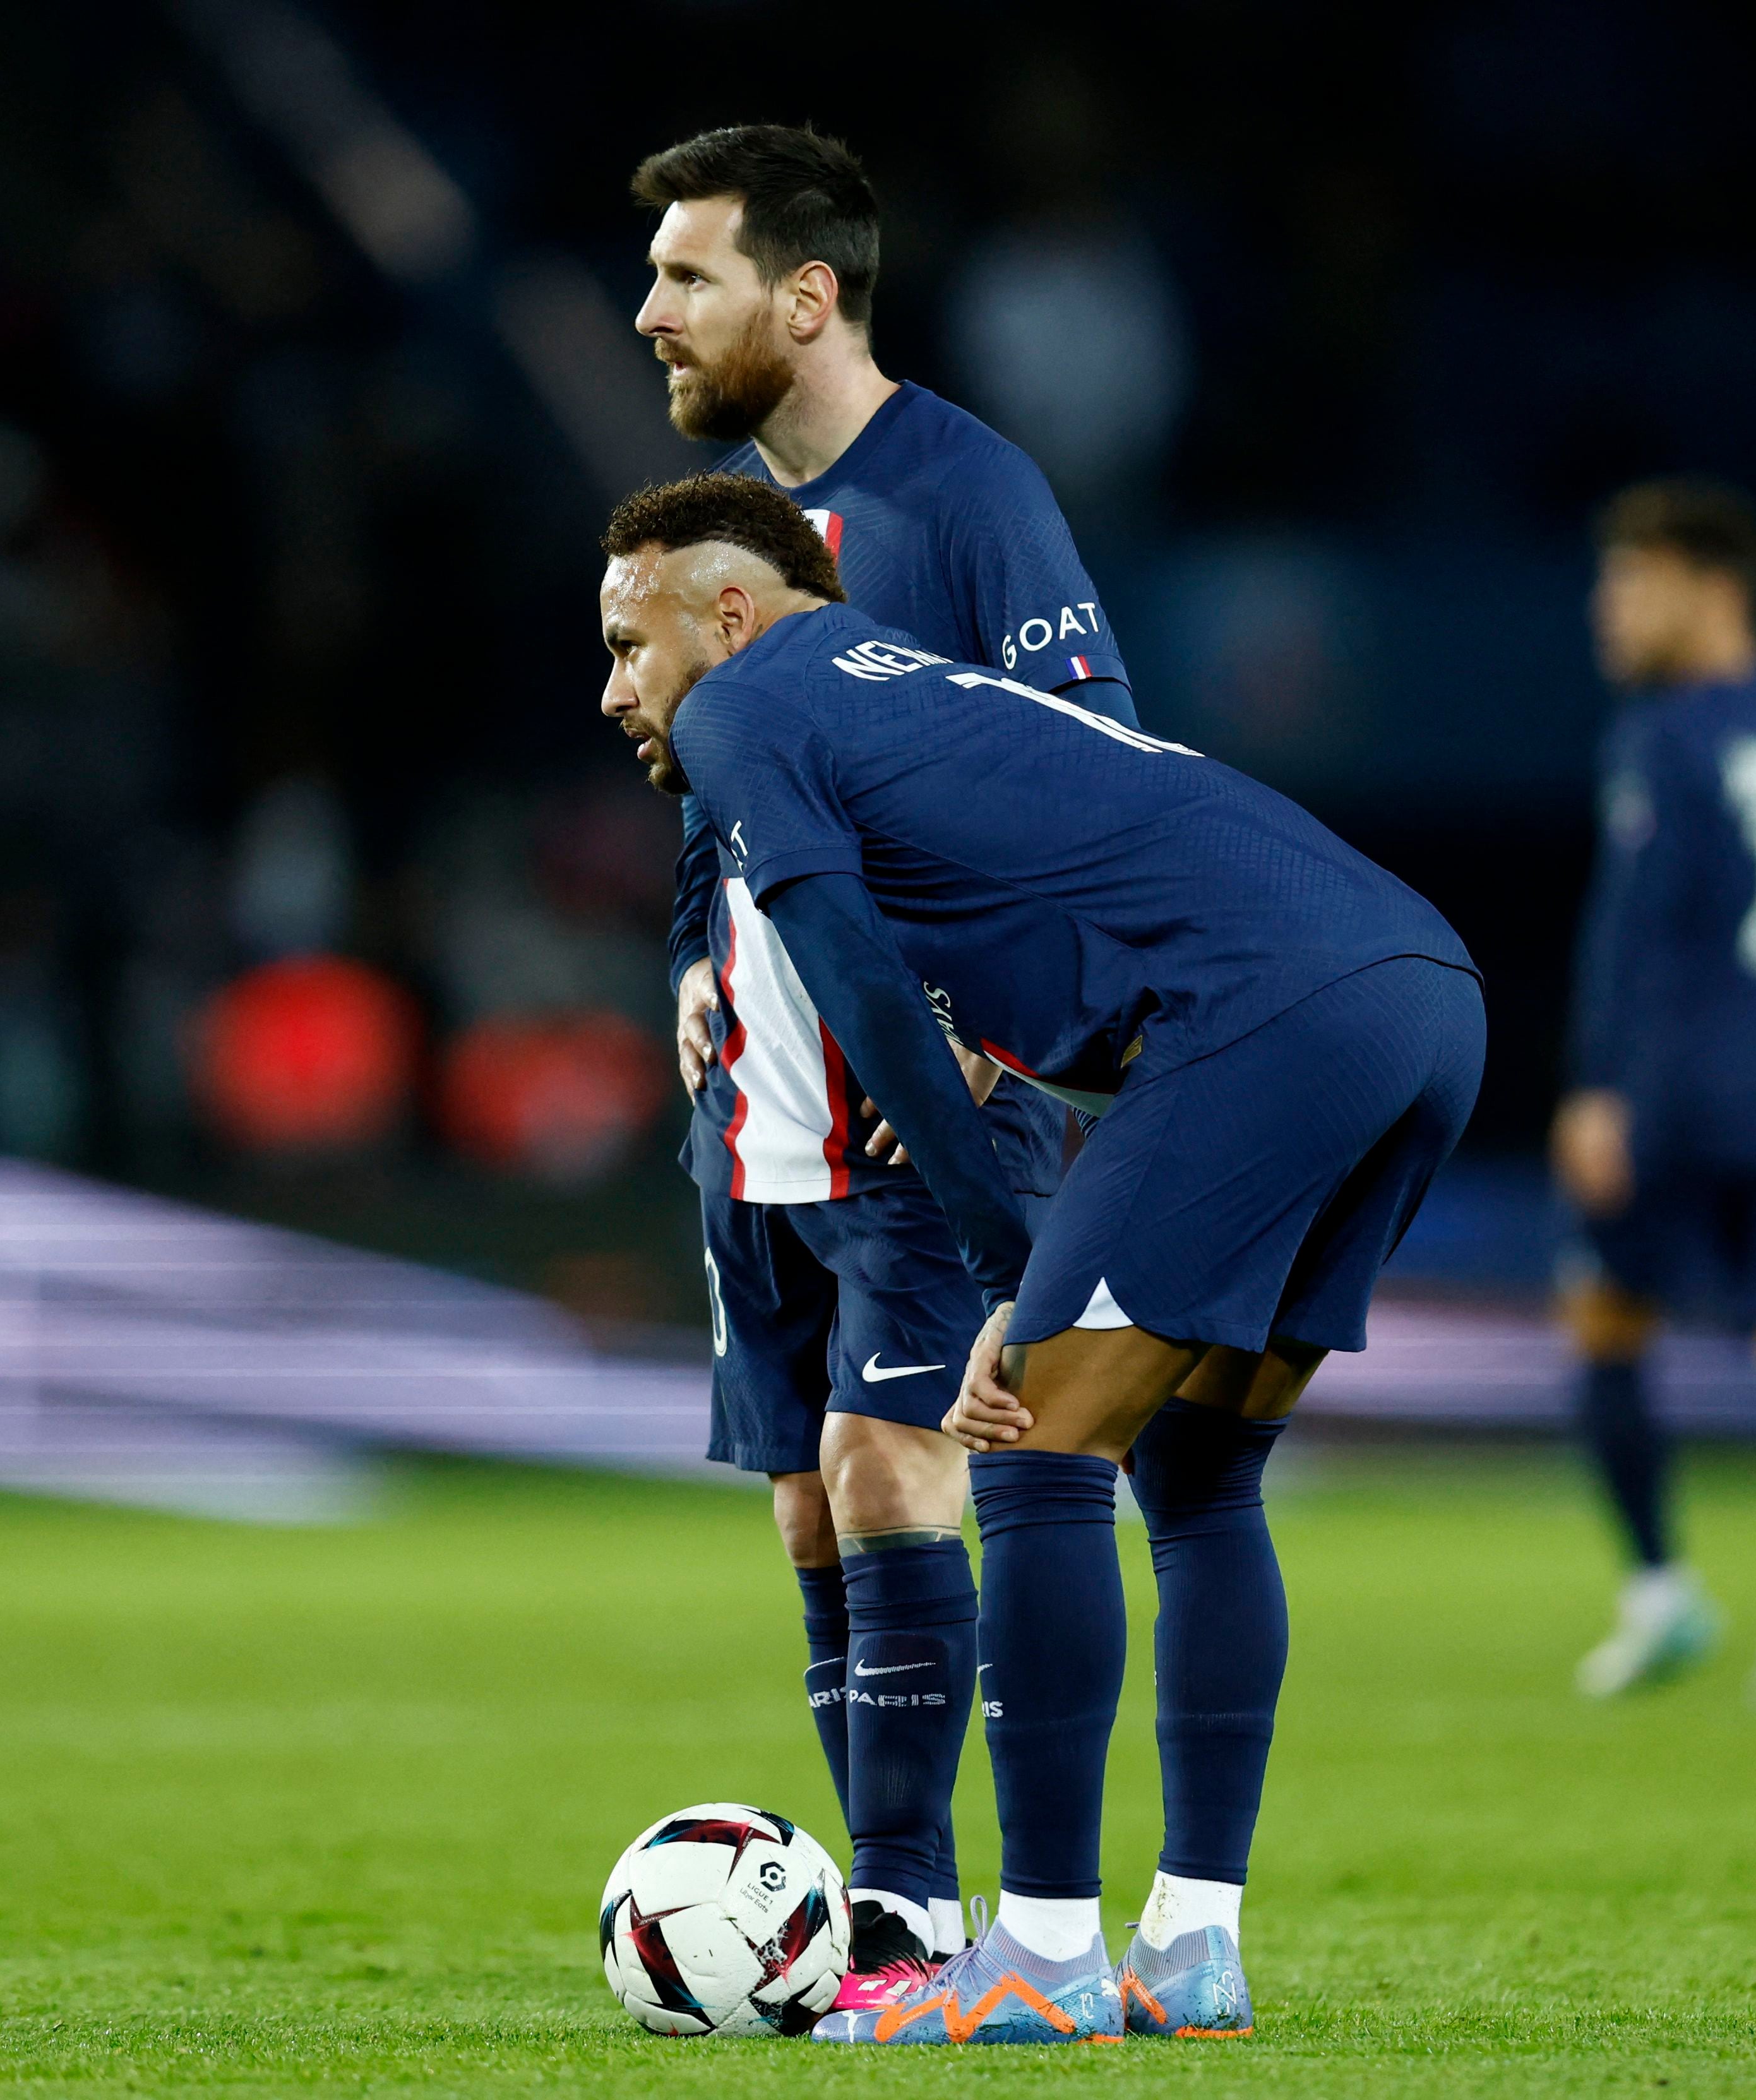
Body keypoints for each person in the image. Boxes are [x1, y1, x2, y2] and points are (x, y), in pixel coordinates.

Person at [596, 474, 1484, 2044]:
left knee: (1031, 1445)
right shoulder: (918, 685)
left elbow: (855, 980)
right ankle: (1190, 1944)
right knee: (1201, 1472)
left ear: (725, 613)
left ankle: (1041, 1957)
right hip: (1419, 989)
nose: (617, 688)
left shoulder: (750, 711)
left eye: (628, 642)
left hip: (1258, 1011)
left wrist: (1012, 1259)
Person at [627, 124, 1136, 2004]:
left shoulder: (971, 498)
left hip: (922, 1108)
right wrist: (694, 950)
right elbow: (709, 756)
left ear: (807, 294)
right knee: (801, 1492)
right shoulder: (727, 524)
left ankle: (914, 1904)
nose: (651, 311)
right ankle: (876, 1894)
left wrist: (999, 1019)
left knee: (886, 1455)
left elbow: (1095, 776)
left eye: (690, 277)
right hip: (749, 1100)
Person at [1553, 478, 1756, 1707]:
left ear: (1713, 587)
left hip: (1682, 1078)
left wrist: (1596, 1085)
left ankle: (1660, 1591)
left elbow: (1632, 930)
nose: (1609, 607)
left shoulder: (1668, 735)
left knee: (1603, 1322)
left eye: (1633, 580)